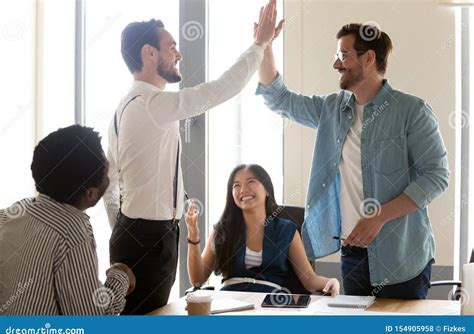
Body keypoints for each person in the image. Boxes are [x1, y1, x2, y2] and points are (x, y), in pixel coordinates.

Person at [104, 1, 279, 315]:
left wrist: (122, 228)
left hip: (141, 234)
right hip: (149, 238)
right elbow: (219, 90)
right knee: (147, 321)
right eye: (171, 47)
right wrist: (259, 44)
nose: (178, 54)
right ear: (149, 53)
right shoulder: (150, 103)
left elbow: (108, 183)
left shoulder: (126, 105)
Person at [256, 23, 450, 299]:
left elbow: (436, 175)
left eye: (344, 55)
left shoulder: (412, 111)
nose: (336, 63)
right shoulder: (331, 109)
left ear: (368, 58)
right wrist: (264, 46)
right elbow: (279, 99)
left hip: (402, 258)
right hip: (352, 255)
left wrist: (379, 217)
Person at [0, 125, 135, 315]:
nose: (110, 174)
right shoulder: (72, 233)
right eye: (106, 172)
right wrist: (120, 277)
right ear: (90, 193)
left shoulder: (11, 213)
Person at [185, 164, 340, 296]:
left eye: (250, 182)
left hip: (270, 302)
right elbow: (198, 280)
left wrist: (331, 281)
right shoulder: (223, 229)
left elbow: (309, 280)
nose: (243, 189)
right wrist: (193, 236)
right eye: (236, 185)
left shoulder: (286, 230)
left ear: (267, 189)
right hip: (229, 302)